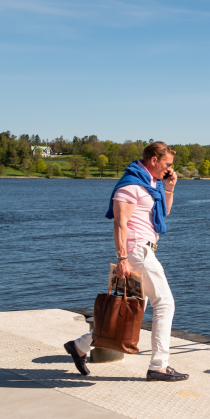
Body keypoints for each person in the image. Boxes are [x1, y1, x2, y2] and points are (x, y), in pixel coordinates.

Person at [64, 141, 188, 382]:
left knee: (128, 309)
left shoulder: (151, 183)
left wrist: (170, 187)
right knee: (165, 304)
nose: (170, 168)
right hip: (136, 252)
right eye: (167, 164)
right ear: (154, 161)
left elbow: (164, 214)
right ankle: (158, 366)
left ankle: (79, 347)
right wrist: (121, 257)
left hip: (145, 250)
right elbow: (120, 223)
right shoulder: (131, 185)